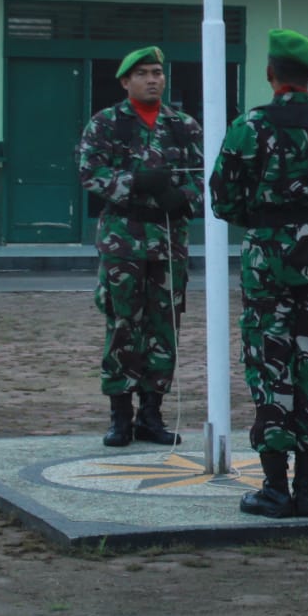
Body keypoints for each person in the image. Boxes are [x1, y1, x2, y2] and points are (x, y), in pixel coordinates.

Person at [210, 29, 308, 519]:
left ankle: (275, 487)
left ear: (271, 74)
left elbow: (222, 199)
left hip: (266, 264)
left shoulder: (248, 128)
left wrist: (266, 218)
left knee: (269, 363)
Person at [77, 46, 204, 448]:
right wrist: (136, 182)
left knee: (164, 329)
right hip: (124, 240)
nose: (153, 80)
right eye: (144, 74)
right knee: (122, 326)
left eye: (158, 73)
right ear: (126, 81)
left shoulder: (183, 126)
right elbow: (90, 174)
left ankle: (152, 414)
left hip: (168, 242)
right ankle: (120, 416)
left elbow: (204, 177)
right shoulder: (106, 124)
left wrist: (180, 196)